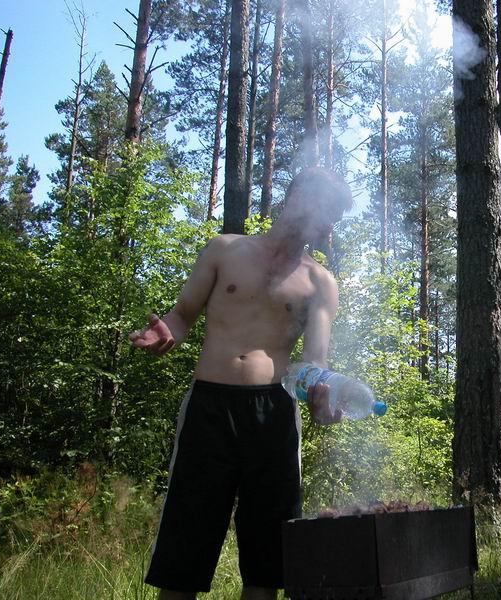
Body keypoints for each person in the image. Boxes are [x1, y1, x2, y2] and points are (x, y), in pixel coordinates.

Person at [129, 167, 354, 600]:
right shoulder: (225, 249)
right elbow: (183, 314)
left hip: (274, 415)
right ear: (297, 197)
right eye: (325, 210)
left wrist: (321, 398)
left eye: (333, 218)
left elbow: (314, 363)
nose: (327, 225)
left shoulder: (320, 282)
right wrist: (167, 331)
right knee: (183, 553)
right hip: (209, 410)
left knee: (267, 562)